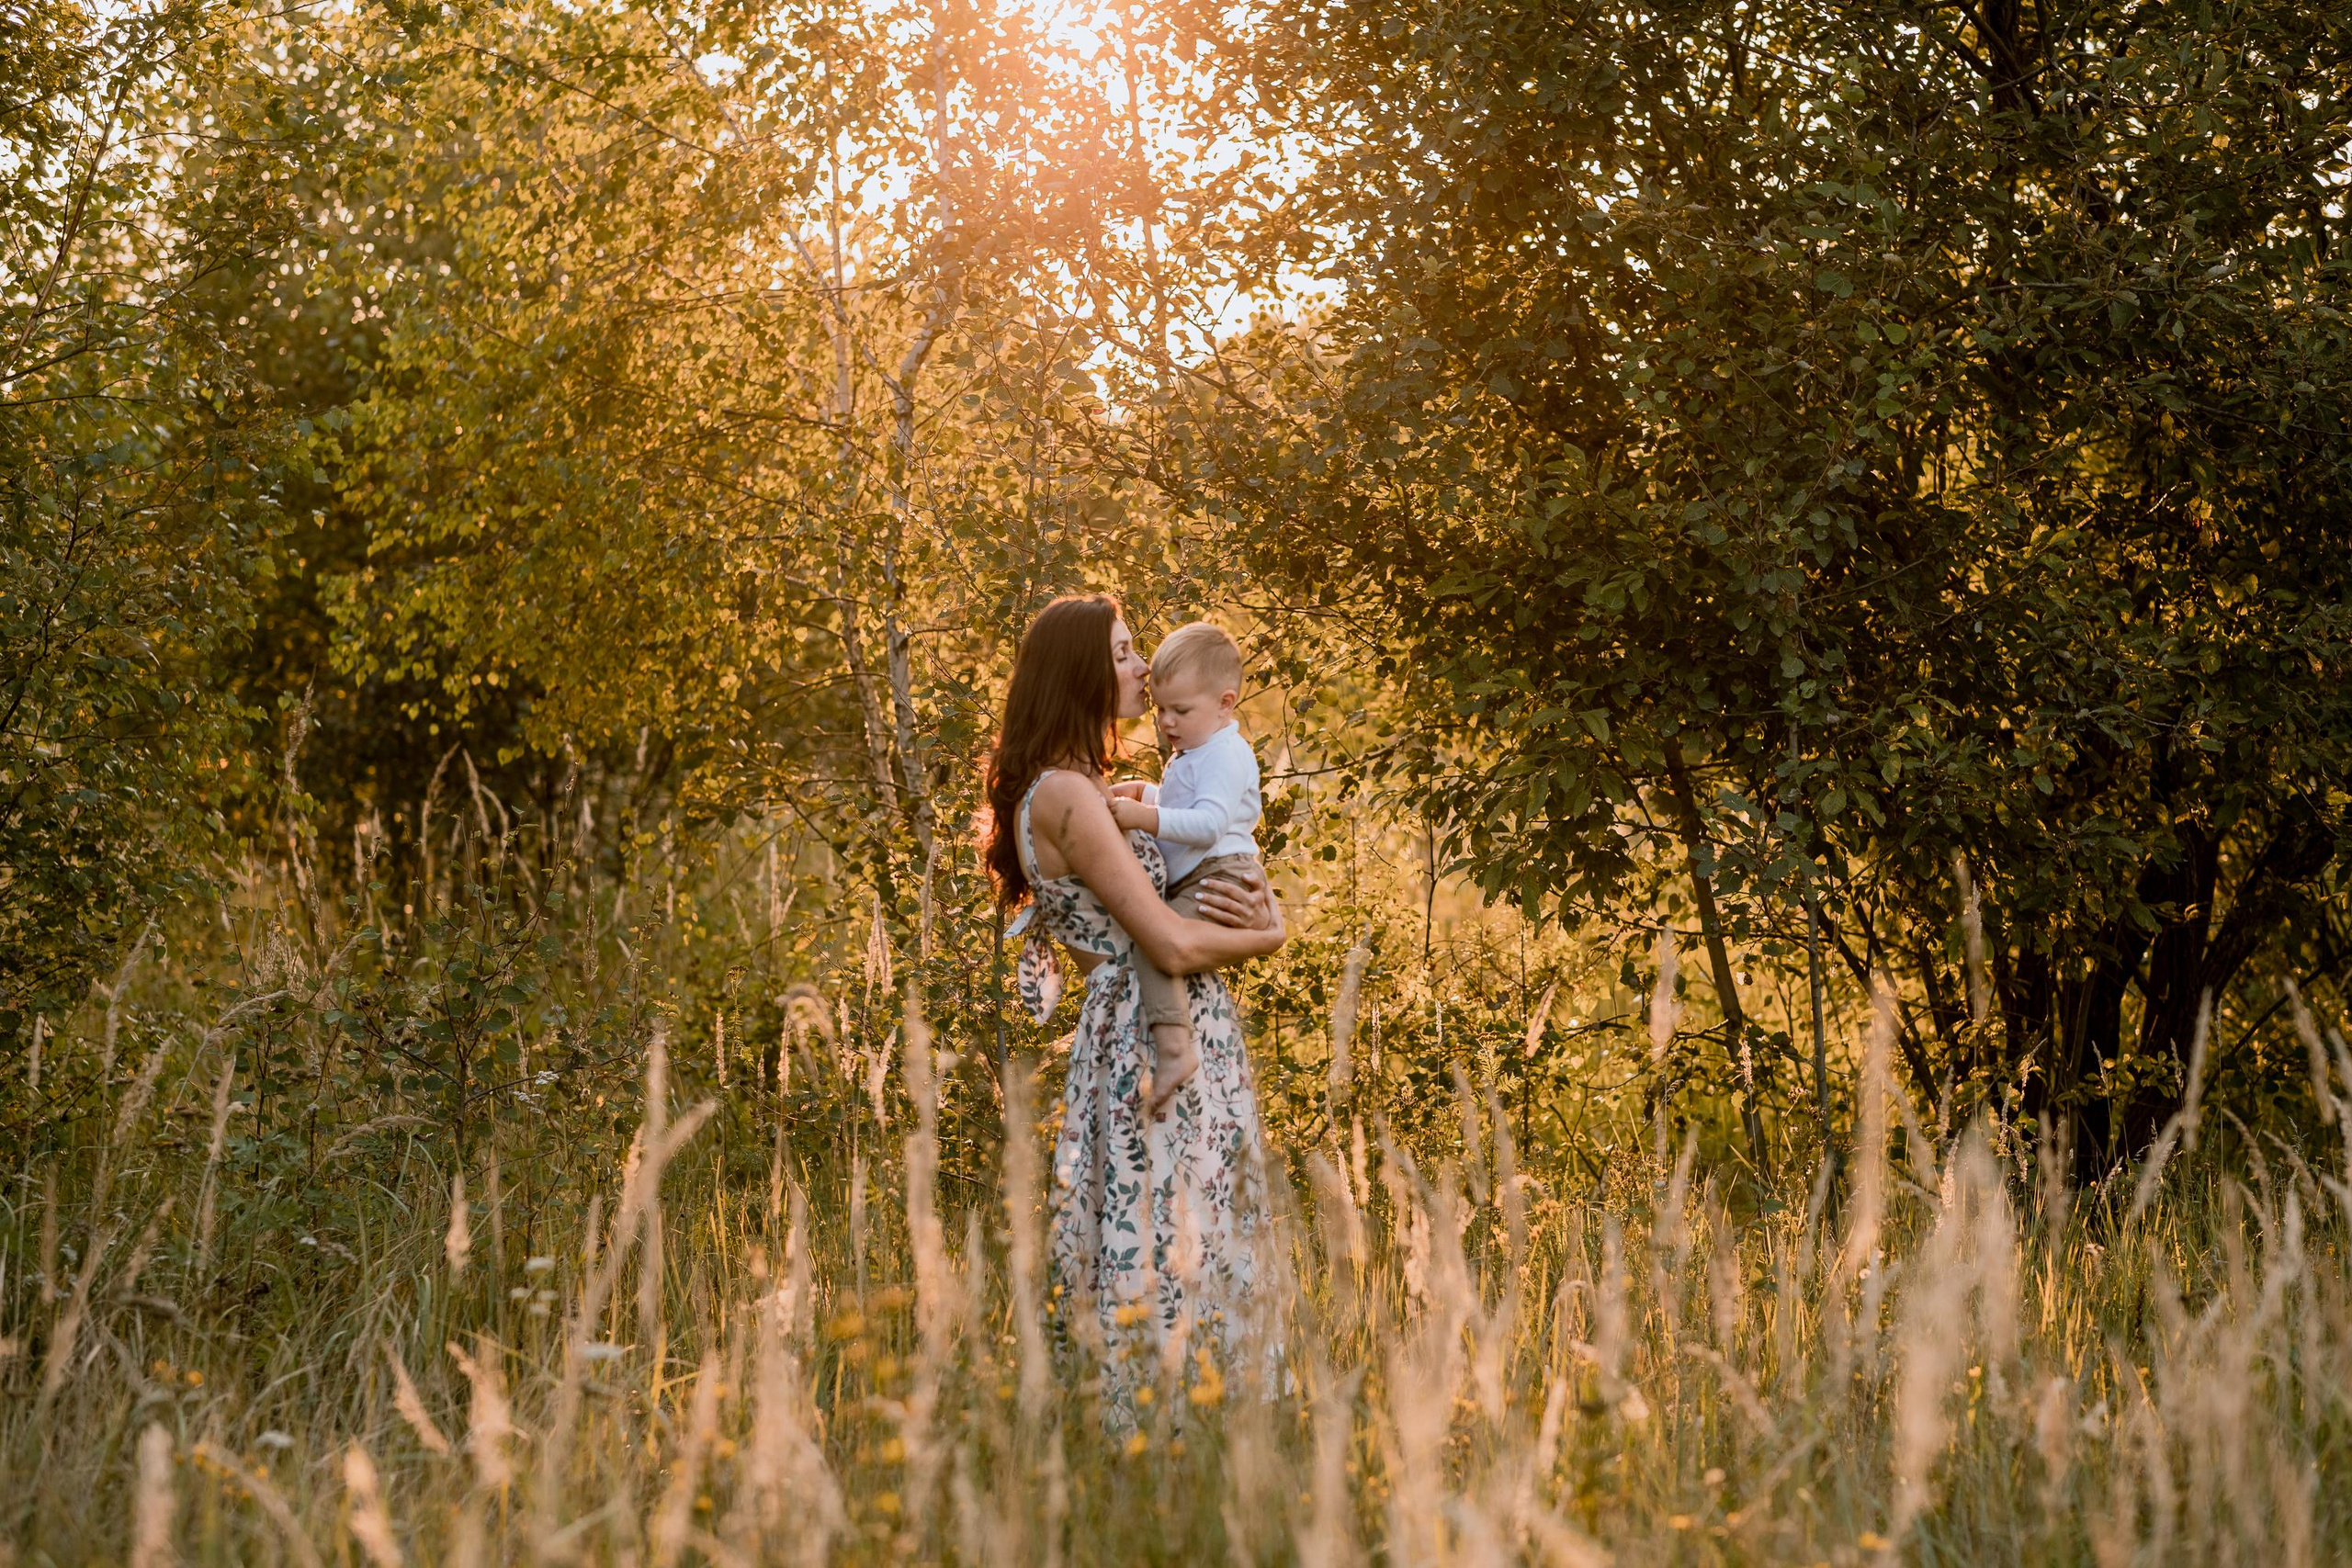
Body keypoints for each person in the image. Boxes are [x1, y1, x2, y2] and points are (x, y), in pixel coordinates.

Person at [983, 594, 1285, 1403]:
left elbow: (1204, 872)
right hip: (1147, 1038)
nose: (1140, 670)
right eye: (1122, 653)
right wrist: (1269, 933)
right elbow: (1171, 941)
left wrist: (1252, 897)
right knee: (1161, 1236)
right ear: (1080, 671)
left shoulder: (1095, 787)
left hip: (1166, 1023)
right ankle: (1157, 1434)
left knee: (1193, 1230)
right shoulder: (1068, 797)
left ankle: (1206, 1439)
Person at [1107, 622, 1263, 1117]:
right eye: (1160, 710)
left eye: (1180, 710)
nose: (1167, 723)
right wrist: (1148, 793)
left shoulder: (1225, 753)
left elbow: (1210, 823)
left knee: (1158, 942)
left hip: (1219, 873)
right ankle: (1178, 1040)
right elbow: (1188, 805)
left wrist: (1143, 817)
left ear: (1225, 703)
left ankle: (1176, 1050)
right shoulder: (1196, 748)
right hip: (1206, 869)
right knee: (1159, 938)